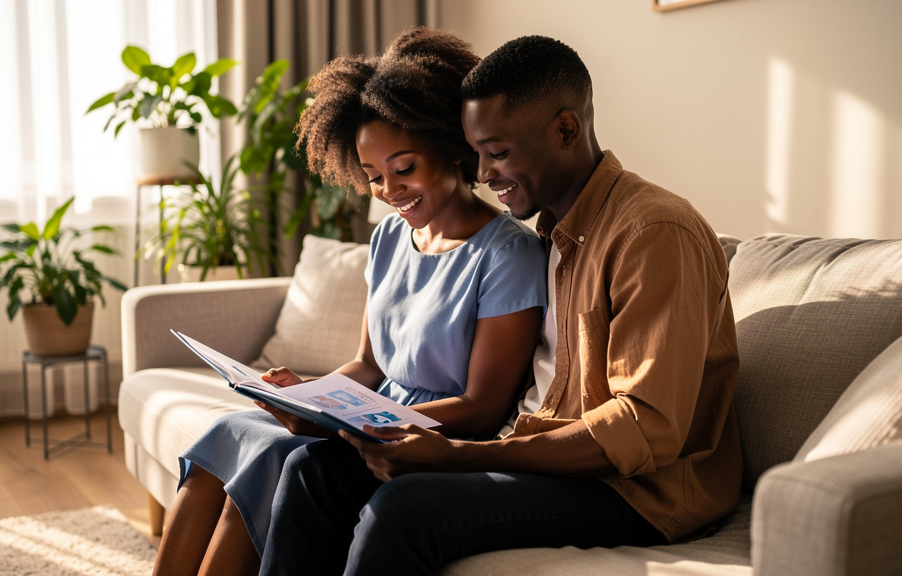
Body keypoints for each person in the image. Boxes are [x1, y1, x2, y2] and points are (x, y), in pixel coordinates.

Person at [259, 35, 743, 575]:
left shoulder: (651, 232)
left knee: (402, 511)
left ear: (566, 129)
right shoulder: (555, 235)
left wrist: (465, 455)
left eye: (499, 152)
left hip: (634, 490)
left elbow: (643, 429)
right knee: (314, 470)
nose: (483, 174)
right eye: (477, 153)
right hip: (539, 453)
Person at [151, 28, 548, 576]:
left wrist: (346, 425)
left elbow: (483, 407)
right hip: (371, 418)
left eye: (404, 168)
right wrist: (308, 397)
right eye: (373, 177)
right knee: (225, 436)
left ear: (452, 146)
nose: (390, 191)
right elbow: (367, 364)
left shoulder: (509, 255)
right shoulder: (388, 238)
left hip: (426, 438)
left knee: (269, 462)